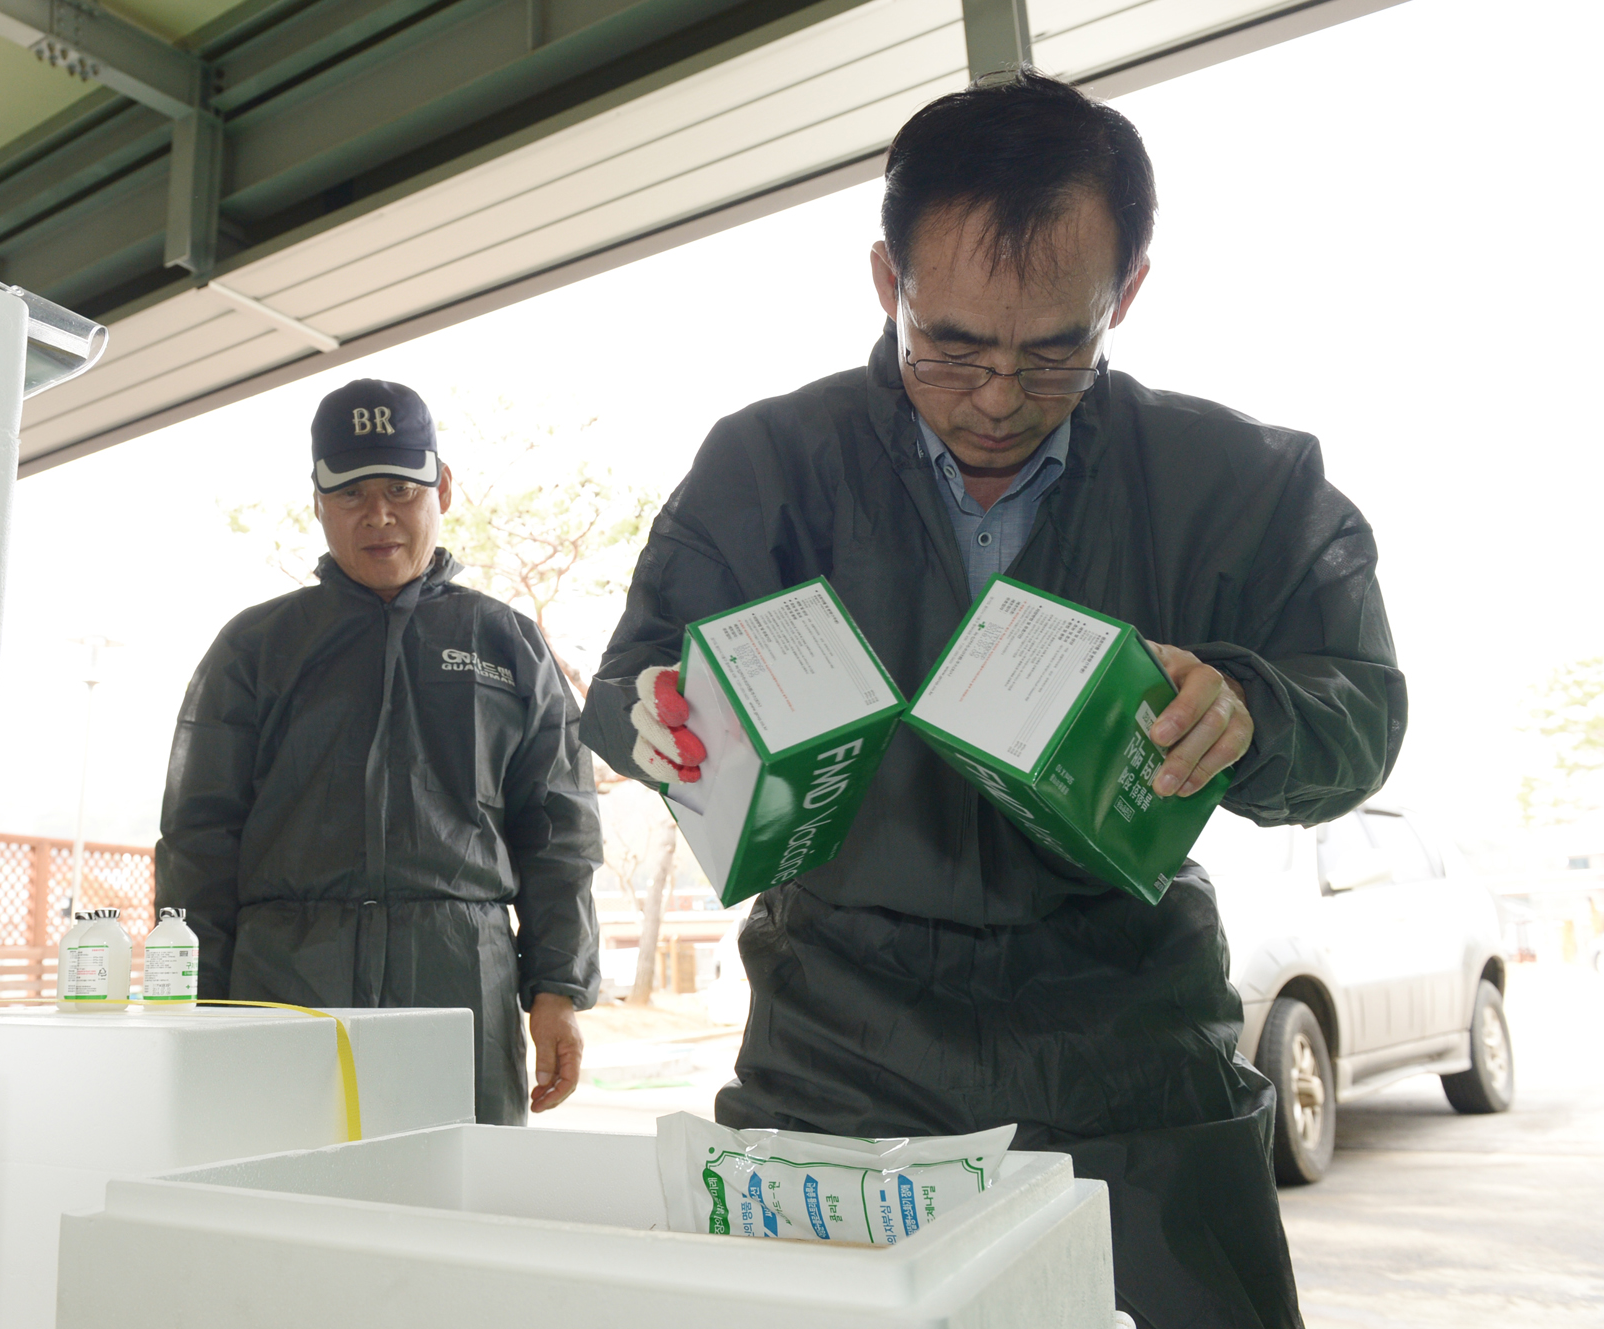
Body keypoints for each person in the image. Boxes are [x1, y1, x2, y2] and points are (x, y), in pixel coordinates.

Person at [580, 72, 1404, 1328]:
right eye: (950, 346)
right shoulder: (767, 466)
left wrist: (1252, 712)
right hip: (836, 1070)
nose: (997, 398)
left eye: (1054, 351)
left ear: (1124, 293)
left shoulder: (1239, 479)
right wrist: (655, 720)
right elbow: (627, 678)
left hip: (1130, 1067)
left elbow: (1364, 706)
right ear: (884, 283)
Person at [158, 378, 602, 1125]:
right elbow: (198, 840)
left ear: (444, 488)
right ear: (318, 501)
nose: (379, 516)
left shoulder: (508, 644)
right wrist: (197, 1002)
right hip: (284, 984)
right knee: (282, 1206)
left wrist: (557, 991)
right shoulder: (255, 647)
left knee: (460, 1209)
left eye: (400, 488)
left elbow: (560, 831)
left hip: (462, 978)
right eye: (352, 493)